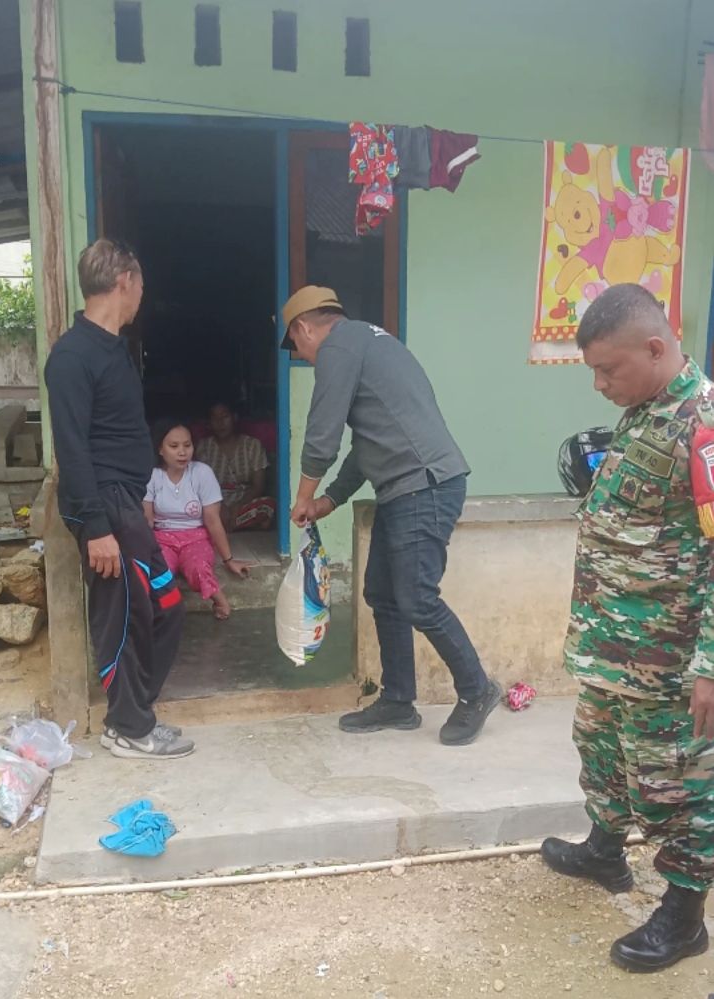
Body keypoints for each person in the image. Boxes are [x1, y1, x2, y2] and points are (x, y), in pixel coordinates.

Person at [540, 284, 714, 972]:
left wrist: (709, 662)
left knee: (674, 785)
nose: (598, 383)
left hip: (666, 658)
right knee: (601, 751)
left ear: (654, 347)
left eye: (607, 368)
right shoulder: (645, 412)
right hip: (613, 647)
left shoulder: (702, 425)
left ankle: (683, 912)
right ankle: (604, 850)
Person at [282, 286, 501, 746]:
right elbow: (367, 446)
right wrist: (331, 500)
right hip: (408, 487)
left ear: (304, 327)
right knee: (383, 592)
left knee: (417, 597)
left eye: (296, 347)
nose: (302, 356)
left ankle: (477, 689)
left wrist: (303, 496)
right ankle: (399, 700)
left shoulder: (339, 347)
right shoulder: (374, 343)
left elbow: (323, 432)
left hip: (423, 484)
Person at [44, 239, 194, 760]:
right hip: (104, 506)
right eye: (141, 288)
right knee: (125, 612)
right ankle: (129, 727)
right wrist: (95, 526)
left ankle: (132, 716)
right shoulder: (71, 357)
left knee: (167, 604)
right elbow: (71, 446)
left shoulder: (116, 351)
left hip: (126, 502)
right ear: (124, 281)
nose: (141, 299)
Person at [144, 420, 251, 620]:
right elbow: (147, 521)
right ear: (160, 449)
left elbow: (213, 520)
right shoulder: (152, 476)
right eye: (174, 446)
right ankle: (169, 608)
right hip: (162, 538)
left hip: (196, 538)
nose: (182, 452)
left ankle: (219, 599)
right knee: (160, 570)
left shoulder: (202, 473)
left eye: (187, 445)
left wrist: (229, 560)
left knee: (199, 567)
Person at [196, 402, 275, 532]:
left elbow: (258, 486)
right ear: (209, 423)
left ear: (234, 418)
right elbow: (201, 486)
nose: (220, 423)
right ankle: (238, 524)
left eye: (225, 416)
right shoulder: (204, 446)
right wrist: (220, 506)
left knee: (268, 505)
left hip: (244, 501)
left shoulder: (252, 445)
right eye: (215, 418)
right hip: (213, 503)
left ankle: (222, 526)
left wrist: (237, 506)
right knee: (194, 509)